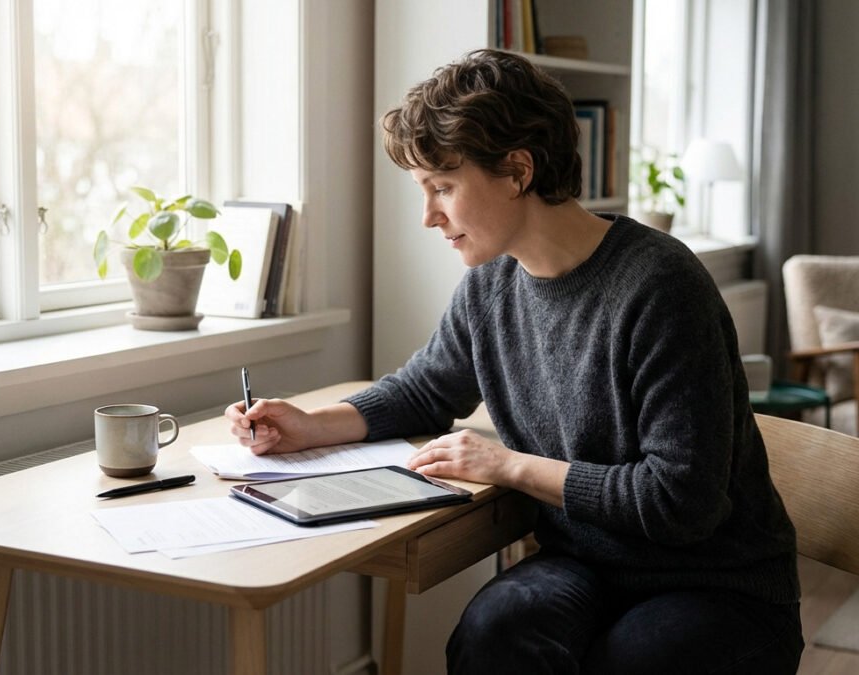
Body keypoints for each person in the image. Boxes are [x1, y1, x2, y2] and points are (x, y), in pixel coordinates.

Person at [226, 49, 803, 673]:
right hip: (588, 562)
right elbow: (424, 393)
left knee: (634, 659)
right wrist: (309, 424)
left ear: (517, 171)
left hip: (717, 582)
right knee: (494, 631)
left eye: (443, 187)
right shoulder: (490, 286)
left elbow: (678, 504)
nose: (428, 216)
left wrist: (508, 465)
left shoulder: (661, 287)